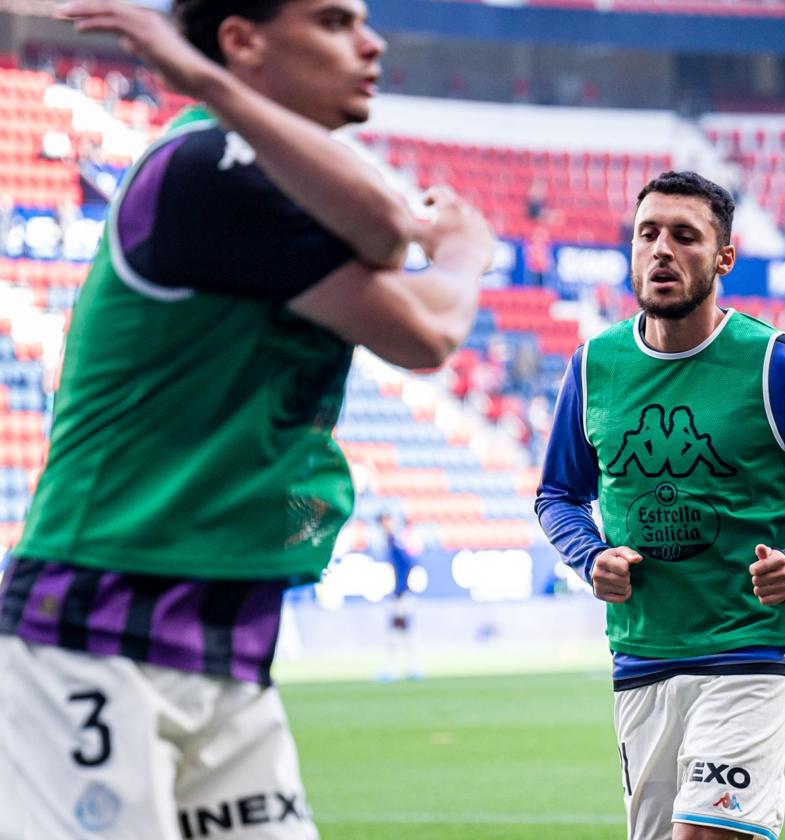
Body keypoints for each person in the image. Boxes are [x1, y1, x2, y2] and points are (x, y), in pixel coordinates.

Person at [0, 2, 493, 838]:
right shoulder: (211, 165)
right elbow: (424, 326)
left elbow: (386, 241)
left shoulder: (271, 176)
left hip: (224, 627)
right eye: (335, 21)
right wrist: (467, 251)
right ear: (242, 40)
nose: (371, 43)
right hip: (100, 616)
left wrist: (425, 247)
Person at [535, 171, 785, 840]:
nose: (662, 250)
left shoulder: (777, 366)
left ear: (724, 257)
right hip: (643, 649)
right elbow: (557, 494)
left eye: (684, 236)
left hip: (752, 646)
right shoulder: (593, 366)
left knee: (703, 836)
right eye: (648, 234)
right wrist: (590, 557)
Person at [375, 514, 422, 682]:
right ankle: (410, 668)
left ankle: (396, 669)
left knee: (397, 632)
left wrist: (402, 589)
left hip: (401, 595)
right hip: (399, 594)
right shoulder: (392, 542)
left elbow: (408, 564)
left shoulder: (397, 542)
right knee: (402, 633)